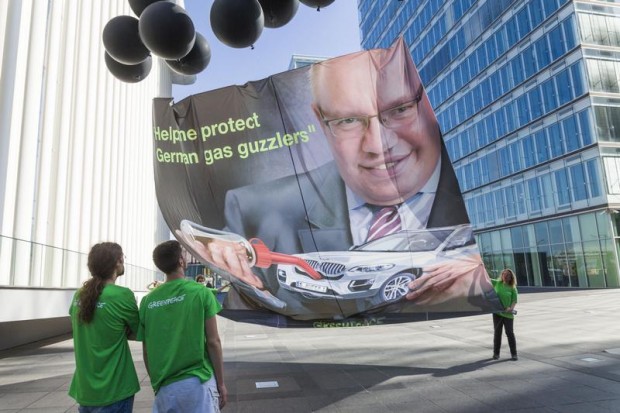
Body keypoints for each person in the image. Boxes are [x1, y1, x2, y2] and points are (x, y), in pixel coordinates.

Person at [181, 38, 494, 315]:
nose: (377, 146)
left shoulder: (479, 185)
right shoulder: (256, 209)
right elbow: (219, 256)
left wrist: (478, 282)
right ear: (321, 121)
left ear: (423, 105)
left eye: (399, 110)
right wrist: (220, 248)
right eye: (348, 120)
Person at [138, 240, 227, 412]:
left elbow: (147, 350)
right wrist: (221, 383)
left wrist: (156, 383)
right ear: (181, 261)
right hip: (198, 383)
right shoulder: (200, 292)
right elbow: (213, 341)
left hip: (165, 388)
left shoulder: (148, 301)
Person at [68, 242, 140, 412]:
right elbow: (139, 333)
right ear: (117, 262)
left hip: (85, 391)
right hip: (115, 390)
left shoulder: (79, 295)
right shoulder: (122, 295)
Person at [491, 268, 519, 361]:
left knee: (510, 333)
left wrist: (511, 308)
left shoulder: (512, 287)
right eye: (504, 274)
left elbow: (514, 300)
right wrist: (480, 267)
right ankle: (496, 354)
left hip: (508, 314)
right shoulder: (497, 283)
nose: (506, 276)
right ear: (502, 275)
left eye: (508, 275)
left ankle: (514, 354)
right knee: (497, 333)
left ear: (511, 277)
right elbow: (485, 278)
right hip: (497, 313)